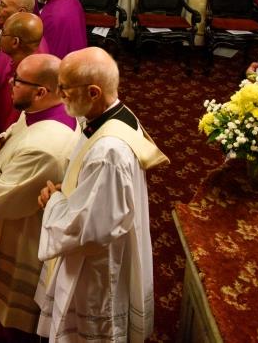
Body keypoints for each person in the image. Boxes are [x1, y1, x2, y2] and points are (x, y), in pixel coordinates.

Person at [35, 47, 169, 342]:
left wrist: (54, 202)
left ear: (94, 92)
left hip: (98, 265)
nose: (59, 94)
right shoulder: (112, 115)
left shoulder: (109, 151)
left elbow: (92, 227)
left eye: (65, 88)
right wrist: (70, 189)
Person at [0, 53, 79, 343]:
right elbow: (16, 136)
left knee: (4, 322)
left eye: (18, 80)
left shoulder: (47, 147)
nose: (10, 83)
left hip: (18, 241)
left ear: (41, 92)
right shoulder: (41, 112)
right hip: (11, 228)